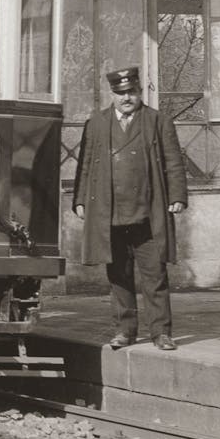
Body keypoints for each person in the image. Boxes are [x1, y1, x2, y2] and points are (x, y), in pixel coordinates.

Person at [72, 66, 189, 351]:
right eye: (121, 93)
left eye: (132, 92)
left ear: (140, 92)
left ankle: (160, 332)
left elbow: (173, 161)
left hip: (148, 213)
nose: (127, 98)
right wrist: (79, 200)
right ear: (112, 94)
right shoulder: (96, 123)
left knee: (155, 274)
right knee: (119, 275)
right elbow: (85, 165)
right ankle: (125, 331)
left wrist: (178, 196)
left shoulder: (157, 121)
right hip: (109, 214)